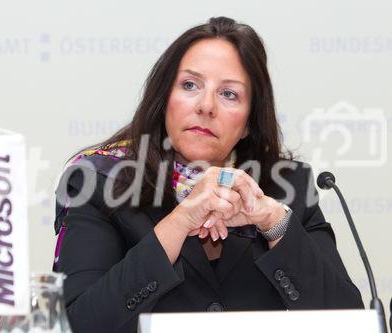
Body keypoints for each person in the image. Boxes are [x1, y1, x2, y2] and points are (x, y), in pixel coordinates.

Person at [53, 16, 364, 333]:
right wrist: (179, 222)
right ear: (164, 101)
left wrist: (275, 224)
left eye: (229, 94)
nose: (206, 106)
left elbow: (350, 323)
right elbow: (80, 324)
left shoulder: (286, 186)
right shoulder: (100, 181)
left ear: (249, 123)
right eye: (189, 85)